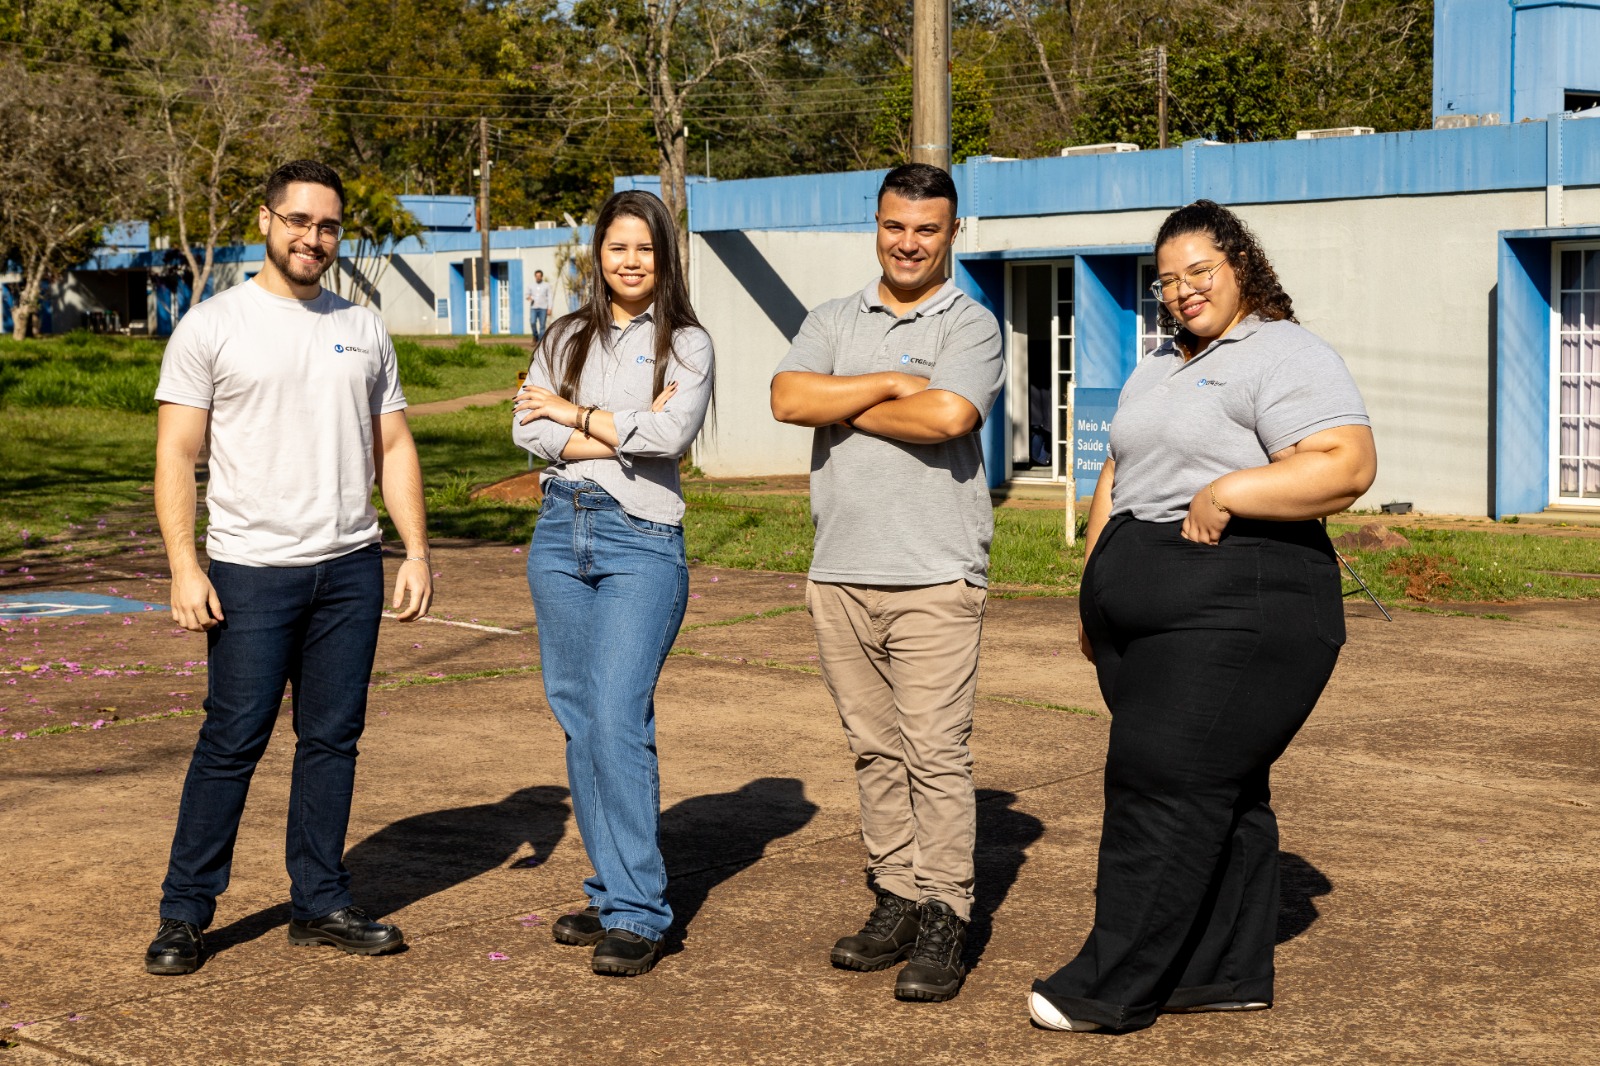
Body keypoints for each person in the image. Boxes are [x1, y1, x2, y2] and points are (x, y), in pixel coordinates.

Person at [1028, 200, 1377, 1033]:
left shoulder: (1283, 351)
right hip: (1145, 610)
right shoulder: (1159, 364)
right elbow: (1117, 469)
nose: (1182, 290)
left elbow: (1346, 464)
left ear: (1240, 266)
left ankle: (1111, 986)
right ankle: (1220, 972)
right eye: (1167, 280)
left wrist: (1228, 490)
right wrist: (1093, 586)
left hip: (1242, 604)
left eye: (1199, 272)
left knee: (1161, 784)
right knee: (1222, 791)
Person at [145, 160, 433, 976]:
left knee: (332, 740)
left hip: (349, 567)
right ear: (267, 221)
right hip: (251, 570)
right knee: (232, 739)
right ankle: (184, 914)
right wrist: (184, 565)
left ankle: (320, 902)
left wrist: (415, 550)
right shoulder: (213, 326)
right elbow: (176, 452)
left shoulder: (363, 326)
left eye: (328, 225)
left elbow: (394, 445)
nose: (314, 237)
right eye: (299, 220)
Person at [770, 163, 1003, 1003]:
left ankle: (945, 912)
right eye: (895, 226)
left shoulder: (970, 324)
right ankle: (896, 896)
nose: (909, 243)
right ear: (876, 225)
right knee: (872, 749)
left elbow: (949, 416)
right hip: (840, 571)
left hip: (934, 574)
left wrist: (839, 402)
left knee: (934, 753)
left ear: (952, 233)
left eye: (927, 229)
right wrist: (891, 384)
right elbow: (785, 397)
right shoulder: (833, 318)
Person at [511, 189, 713, 977]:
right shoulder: (564, 334)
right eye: (617, 246)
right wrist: (618, 429)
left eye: (645, 248)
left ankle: (638, 912)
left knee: (618, 717)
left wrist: (572, 414)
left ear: (665, 257)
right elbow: (526, 429)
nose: (630, 261)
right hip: (558, 533)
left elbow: (672, 435)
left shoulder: (685, 343)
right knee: (580, 719)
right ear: (598, 253)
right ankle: (608, 892)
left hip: (641, 542)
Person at [528, 268, 552, 342]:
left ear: (542, 276)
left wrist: (549, 308)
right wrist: (529, 297)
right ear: (535, 276)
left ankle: (540, 341)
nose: (538, 277)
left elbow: (550, 297)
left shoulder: (547, 285)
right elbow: (527, 294)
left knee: (542, 326)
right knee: (532, 322)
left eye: (539, 276)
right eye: (537, 276)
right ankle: (535, 336)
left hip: (543, 308)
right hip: (533, 307)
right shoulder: (531, 285)